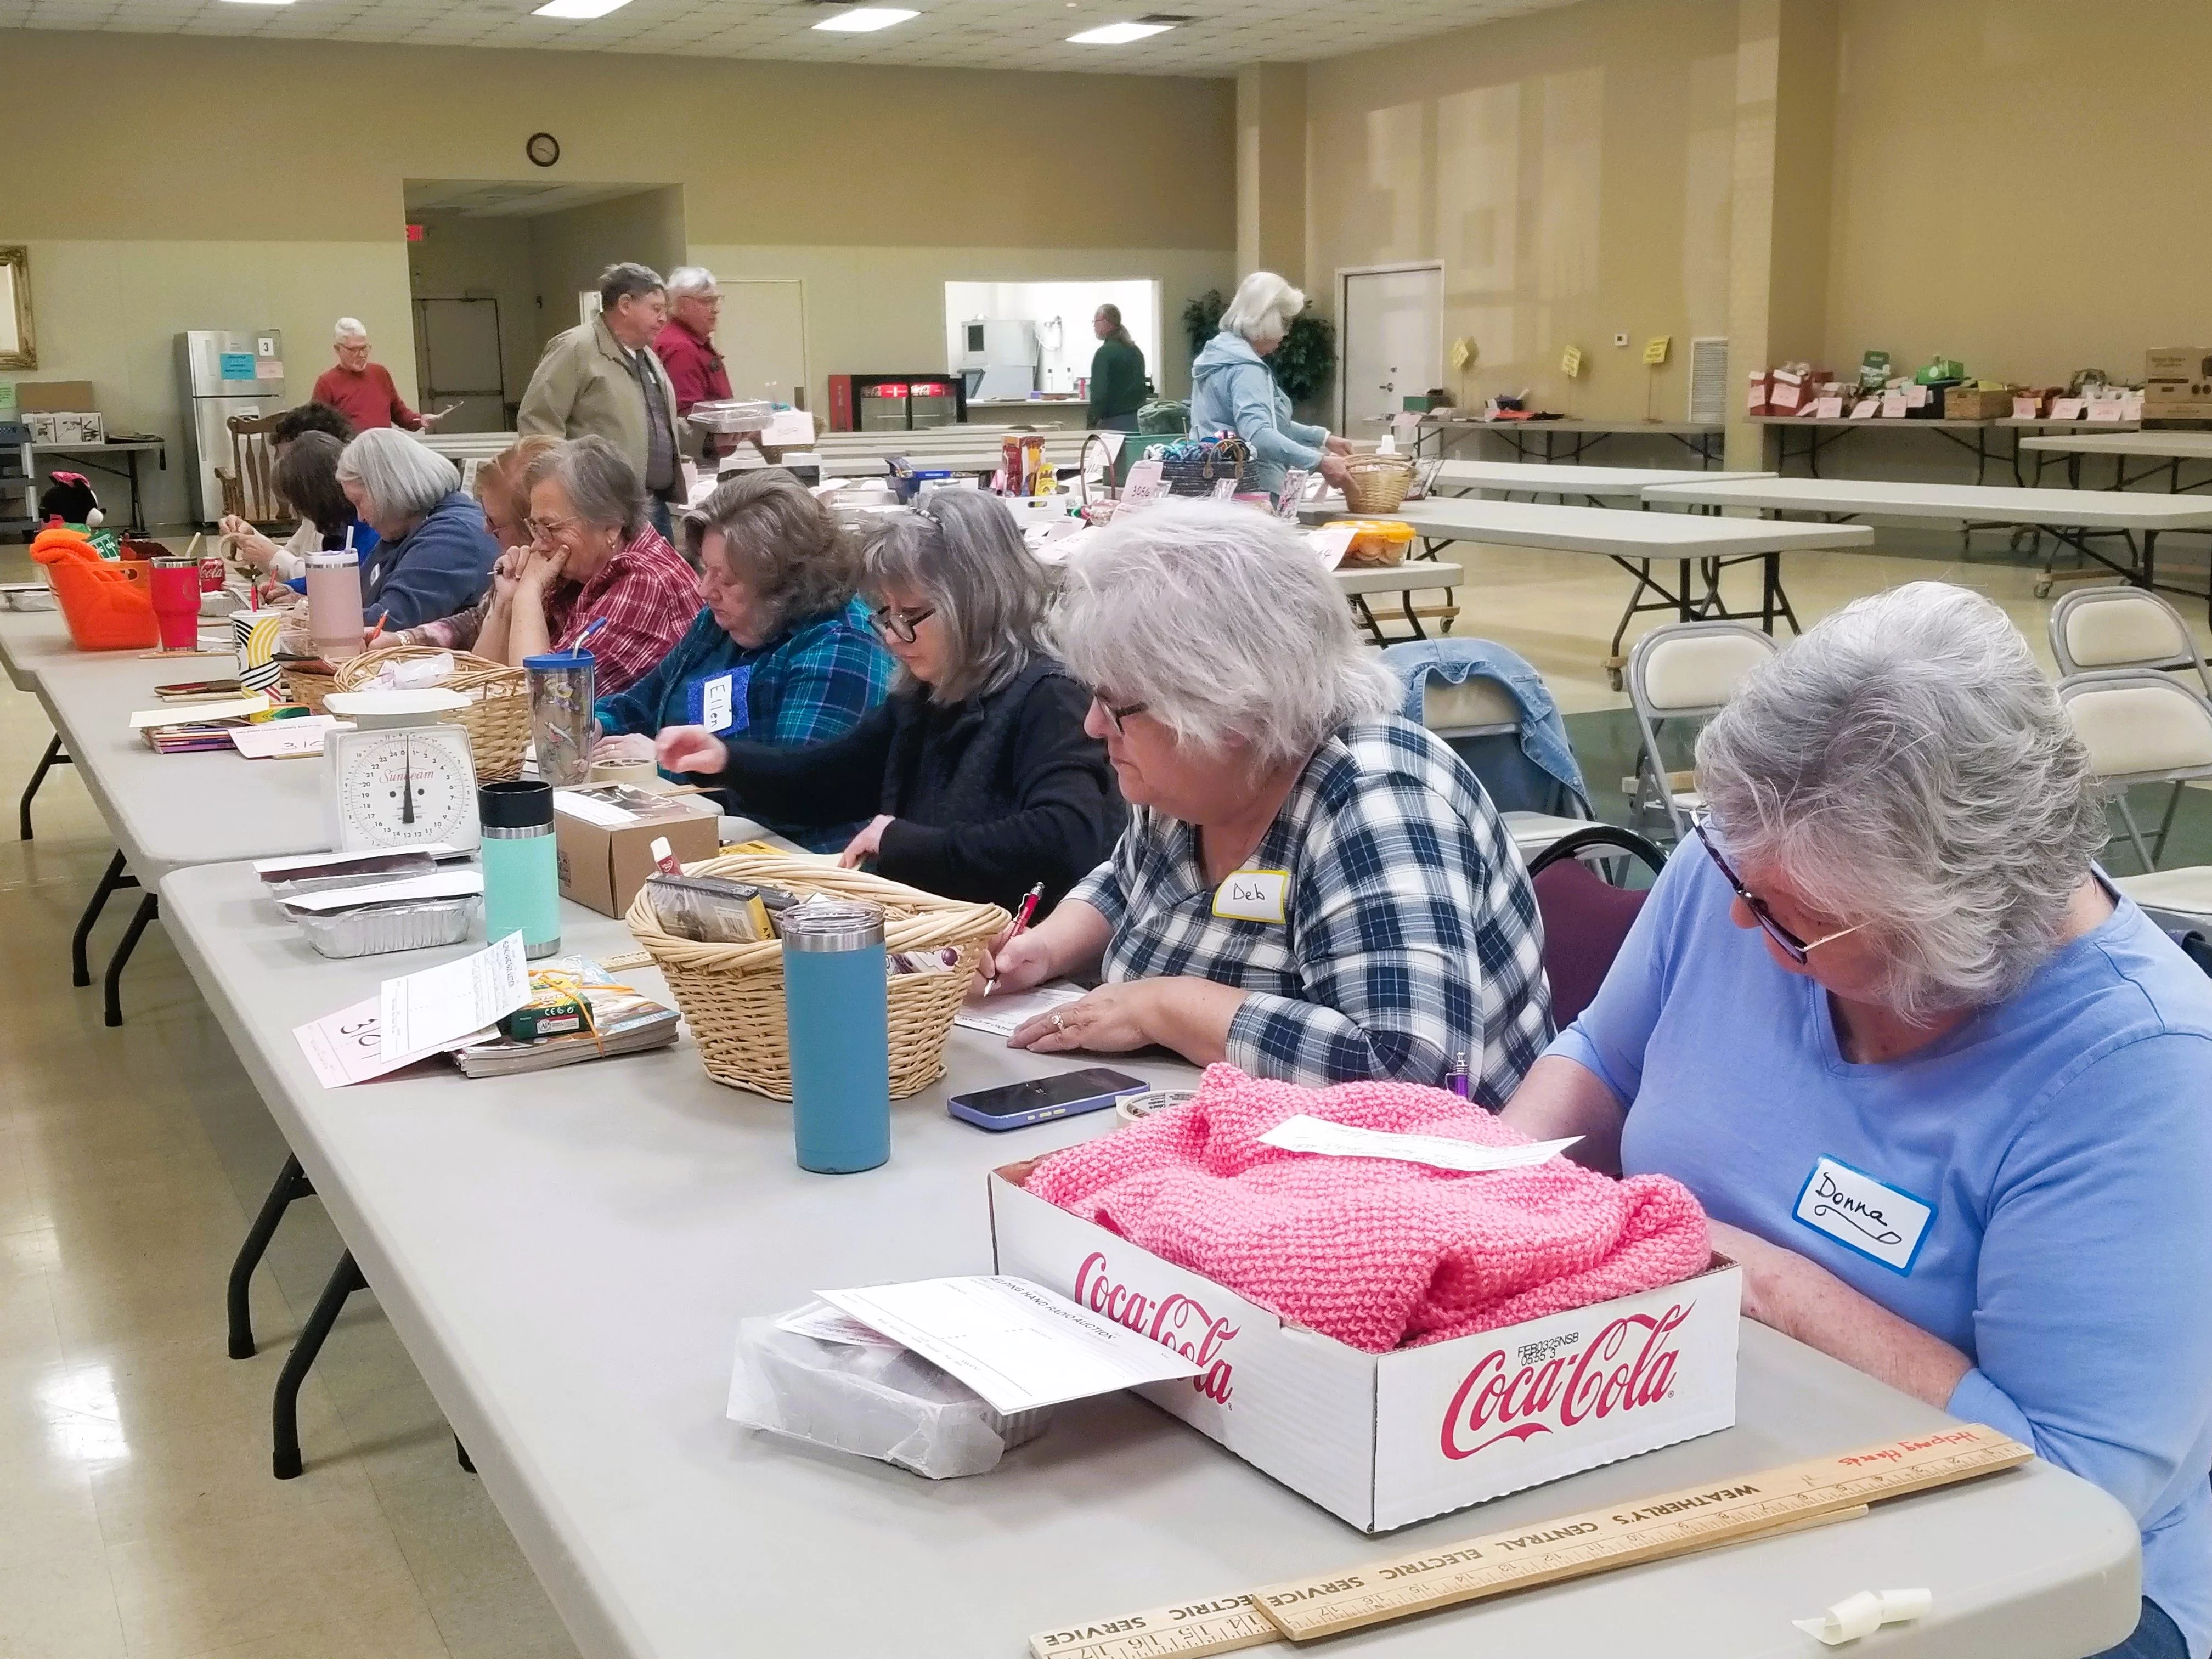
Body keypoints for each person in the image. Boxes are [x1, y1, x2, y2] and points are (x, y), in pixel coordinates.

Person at [1500, 583, 2212, 1659]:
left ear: (1958, 935)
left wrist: (1757, 1280)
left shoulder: (2145, 1072)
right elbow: (1604, 1055)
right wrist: (1490, 1193)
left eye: (1801, 923)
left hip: (2019, 1578)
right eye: (1738, 869)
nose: (1743, 915)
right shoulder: (1758, 856)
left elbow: (2071, 1495)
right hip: (1709, 1438)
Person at [982, 500, 1549, 1092]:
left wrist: (1167, 1008)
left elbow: (1414, 1071)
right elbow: (1130, 882)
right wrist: (1043, 949)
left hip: (1400, 1170)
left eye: (1118, 706)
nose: (1094, 727)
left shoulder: (1378, 802)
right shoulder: (1195, 779)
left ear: (1230, 708)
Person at [656, 490, 1121, 908]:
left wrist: (903, 842)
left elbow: (1064, 840)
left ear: (978, 602)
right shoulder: (928, 690)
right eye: (888, 613)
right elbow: (831, 778)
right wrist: (726, 760)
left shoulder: (1050, 697)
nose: (895, 636)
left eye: (912, 615)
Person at [593, 472, 893, 849]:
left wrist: (663, 766)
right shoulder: (721, 622)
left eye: (727, 579)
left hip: (788, 862)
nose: (704, 591)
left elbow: (797, 798)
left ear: (785, 586)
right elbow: (640, 704)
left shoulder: (841, 644)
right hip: (697, 832)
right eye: (706, 569)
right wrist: (595, 726)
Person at [462, 437, 695, 697]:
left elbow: (545, 703)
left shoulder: (647, 582)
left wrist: (528, 595)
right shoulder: (583, 571)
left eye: (550, 528)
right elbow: (479, 689)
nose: (538, 544)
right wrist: (507, 603)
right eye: (534, 527)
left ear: (611, 526)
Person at [518, 263, 685, 540]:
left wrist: (708, 440)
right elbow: (538, 424)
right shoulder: (576, 348)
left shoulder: (648, 357)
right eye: (656, 309)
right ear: (625, 305)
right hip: (599, 510)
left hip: (652, 506)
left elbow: (658, 428)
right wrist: (562, 495)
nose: (663, 319)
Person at [1189, 272, 1355, 496]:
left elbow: (1264, 421)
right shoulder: (1246, 368)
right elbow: (1259, 435)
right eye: (1285, 323)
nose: (1286, 334)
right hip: (1252, 488)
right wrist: (1319, 462)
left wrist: (1323, 438)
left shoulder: (1218, 356)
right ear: (1268, 319)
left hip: (1215, 483)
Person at [392, 435, 556, 651]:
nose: (486, 529)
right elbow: (475, 621)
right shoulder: (516, 568)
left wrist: (524, 597)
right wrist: (402, 640)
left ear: (534, 527)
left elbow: (534, 678)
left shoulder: (573, 590)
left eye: (494, 522)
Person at [334, 429, 501, 631]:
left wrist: (320, 616)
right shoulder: (410, 527)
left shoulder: (453, 538)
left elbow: (388, 621)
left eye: (359, 502)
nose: (360, 517)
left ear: (387, 490)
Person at [220, 402, 356, 579]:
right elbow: (291, 558)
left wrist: (271, 556)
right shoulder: (315, 514)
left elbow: (331, 578)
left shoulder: (350, 518)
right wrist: (250, 539)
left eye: (288, 462)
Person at [652, 267, 734, 461]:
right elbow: (689, 415)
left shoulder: (688, 341)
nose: (715, 309)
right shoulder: (681, 348)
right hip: (697, 457)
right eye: (707, 301)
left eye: (717, 300)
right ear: (681, 305)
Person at [311, 320, 444, 435]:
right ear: (337, 349)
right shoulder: (327, 383)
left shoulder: (380, 373)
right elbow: (317, 430)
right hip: (349, 455)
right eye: (354, 350)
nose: (362, 355)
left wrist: (421, 420)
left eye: (365, 348)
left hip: (383, 451)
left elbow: (399, 413)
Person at [269, 432, 376, 559]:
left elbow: (334, 574)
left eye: (298, 502)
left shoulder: (366, 529)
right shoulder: (334, 532)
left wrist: (270, 556)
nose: (294, 510)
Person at [1087, 304, 1147, 432]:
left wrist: (1091, 423)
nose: (1094, 326)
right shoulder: (1135, 351)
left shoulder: (1104, 354)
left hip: (1113, 425)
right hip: (1138, 423)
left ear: (1106, 322)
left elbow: (1099, 395)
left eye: (1096, 321)